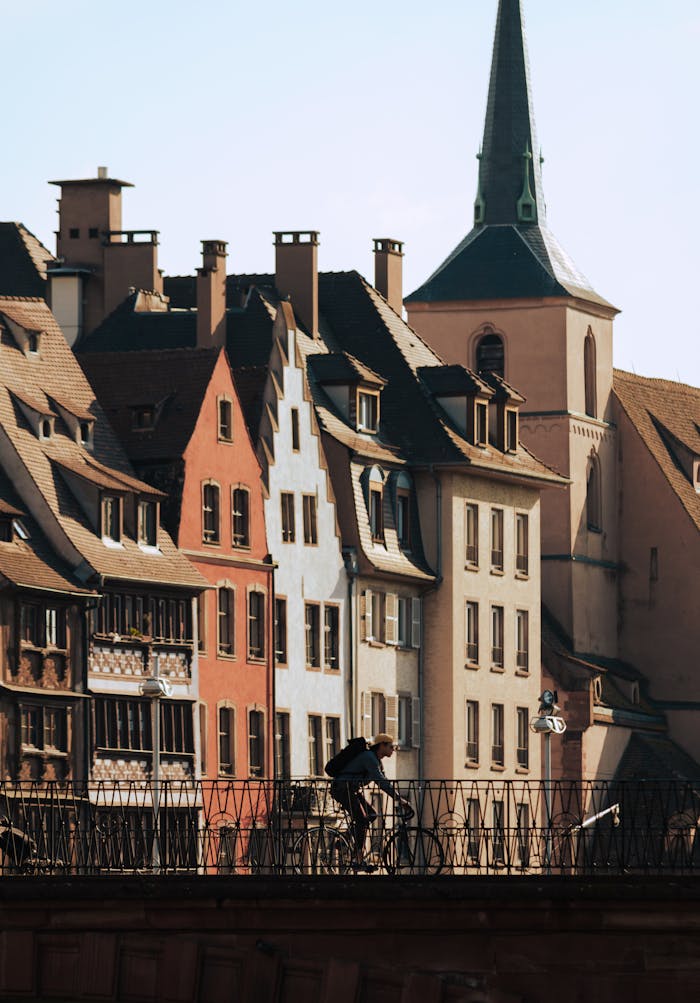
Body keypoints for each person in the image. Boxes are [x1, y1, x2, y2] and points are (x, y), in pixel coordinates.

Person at [330, 733, 411, 872]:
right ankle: (358, 858)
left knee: (372, 814)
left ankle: (345, 838)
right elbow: (381, 782)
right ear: (382, 745)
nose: (393, 750)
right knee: (361, 819)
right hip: (343, 789)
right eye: (391, 746)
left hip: (351, 789)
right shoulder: (369, 758)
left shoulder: (376, 760)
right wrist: (399, 799)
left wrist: (397, 797)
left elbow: (383, 779)